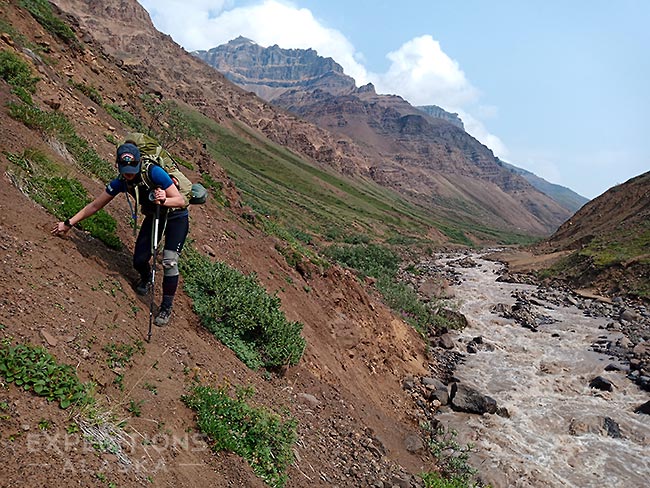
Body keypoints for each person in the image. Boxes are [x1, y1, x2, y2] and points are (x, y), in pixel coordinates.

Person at [52, 142, 189, 326]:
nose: (129, 173)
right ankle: (146, 276)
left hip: (175, 216)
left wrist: (163, 199)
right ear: (118, 165)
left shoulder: (154, 172)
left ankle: (165, 307)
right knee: (139, 260)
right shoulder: (121, 182)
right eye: (125, 169)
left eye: (132, 168)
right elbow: (95, 205)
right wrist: (68, 223)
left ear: (139, 163)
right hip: (154, 215)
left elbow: (180, 200)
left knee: (169, 261)